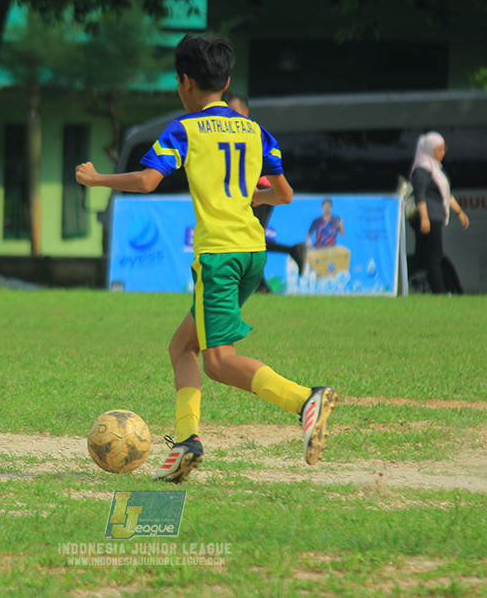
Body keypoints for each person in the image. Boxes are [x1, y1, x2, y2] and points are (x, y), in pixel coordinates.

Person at [76, 33, 336, 483]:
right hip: (253, 252)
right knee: (182, 346)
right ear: (227, 80)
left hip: (219, 256)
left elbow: (146, 182)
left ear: (183, 82)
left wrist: (98, 179)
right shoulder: (256, 130)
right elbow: (283, 194)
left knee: (217, 361)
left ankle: (304, 400)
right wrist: (242, 197)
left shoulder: (185, 127)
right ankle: (187, 443)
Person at [225, 91, 306, 287]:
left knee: (252, 237)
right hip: (252, 190)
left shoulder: (254, 134)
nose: (230, 116)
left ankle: (262, 281)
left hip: (260, 190)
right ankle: (263, 281)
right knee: (252, 236)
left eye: (234, 111)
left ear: (245, 111)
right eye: (228, 111)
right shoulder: (233, 134)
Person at [409, 131, 469, 293]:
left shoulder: (435, 169)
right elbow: (420, 194)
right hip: (429, 218)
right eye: (439, 149)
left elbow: (446, 196)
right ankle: (440, 291)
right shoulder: (422, 169)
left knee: (421, 257)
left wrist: (459, 212)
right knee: (435, 256)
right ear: (429, 150)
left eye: (444, 149)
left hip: (434, 217)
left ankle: (399, 281)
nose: (442, 153)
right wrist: (424, 217)